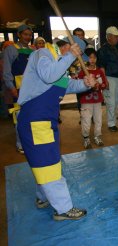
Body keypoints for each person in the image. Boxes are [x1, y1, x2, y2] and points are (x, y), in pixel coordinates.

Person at [17, 36, 96, 220]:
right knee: (49, 163)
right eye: (77, 57)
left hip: (44, 121)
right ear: (68, 47)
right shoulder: (42, 53)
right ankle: (63, 209)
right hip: (35, 121)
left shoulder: (59, 66)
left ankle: (43, 197)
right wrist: (70, 57)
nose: (76, 62)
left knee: (42, 162)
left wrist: (85, 84)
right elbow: (49, 75)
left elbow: (67, 85)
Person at [2, 24, 34, 154]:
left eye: (30, 35)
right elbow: (6, 70)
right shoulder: (11, 49)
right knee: (20, 116)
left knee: (32, 115)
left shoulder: (32, 50)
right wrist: (11, 87)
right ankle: (20, 143)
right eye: (25, 34)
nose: (28, 37)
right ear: (19, 35)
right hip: (18, 88)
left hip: (32, 88)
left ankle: (30, 140)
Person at [97, 26, 118, 132]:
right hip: (109, 78)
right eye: (116, 36)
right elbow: (101, 67)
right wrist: (104, 80)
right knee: (112, 102)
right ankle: (111, 124)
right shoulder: (102, 50)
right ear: (109, 37)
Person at [77, 48, 108, 148]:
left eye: (94, 57)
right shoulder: (82, 72)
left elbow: (104, 84)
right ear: (86, 59)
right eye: (90, 57)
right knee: (86, 120)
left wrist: (99, 85)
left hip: (97, 100)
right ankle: (86, 138)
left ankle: (97, 136)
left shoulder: (100, 71)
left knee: (98, 120)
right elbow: (78, 86)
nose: (92, 59)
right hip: (86, 101)